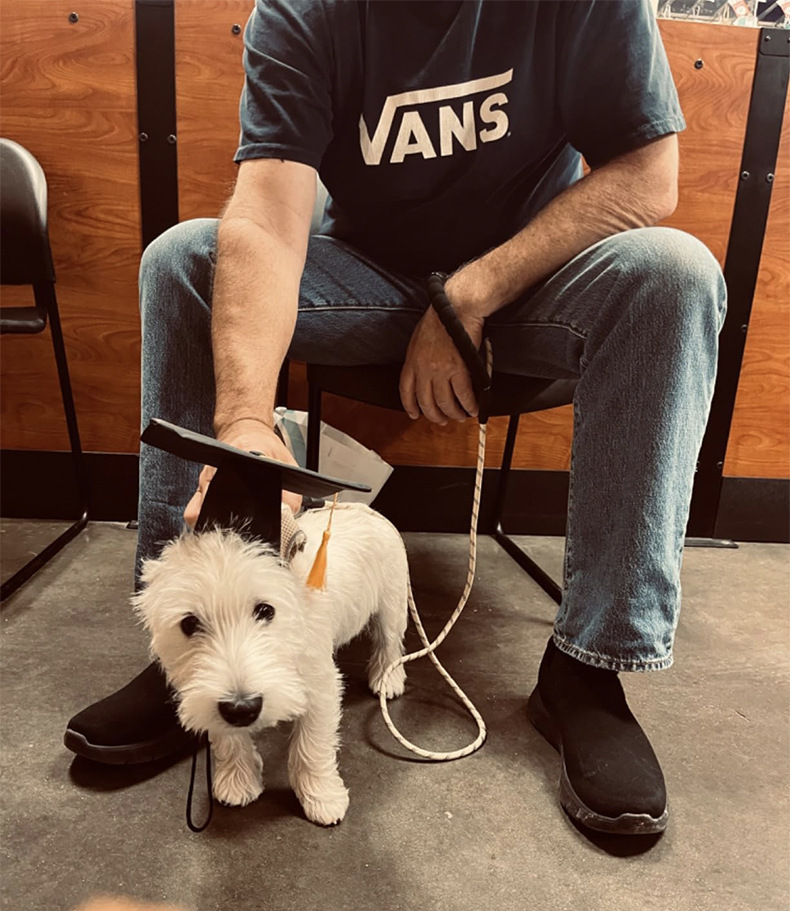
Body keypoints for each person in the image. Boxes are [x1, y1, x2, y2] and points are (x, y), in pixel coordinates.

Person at [64, 0, 726, 834]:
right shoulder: (306, 12)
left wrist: (470, 295)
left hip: (525, 284)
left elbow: (648, 175)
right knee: (181, 260)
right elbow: (267, 215)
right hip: (367, 276)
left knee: (676, 276)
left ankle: (589, 669)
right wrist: (246, 424)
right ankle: (188, 649)